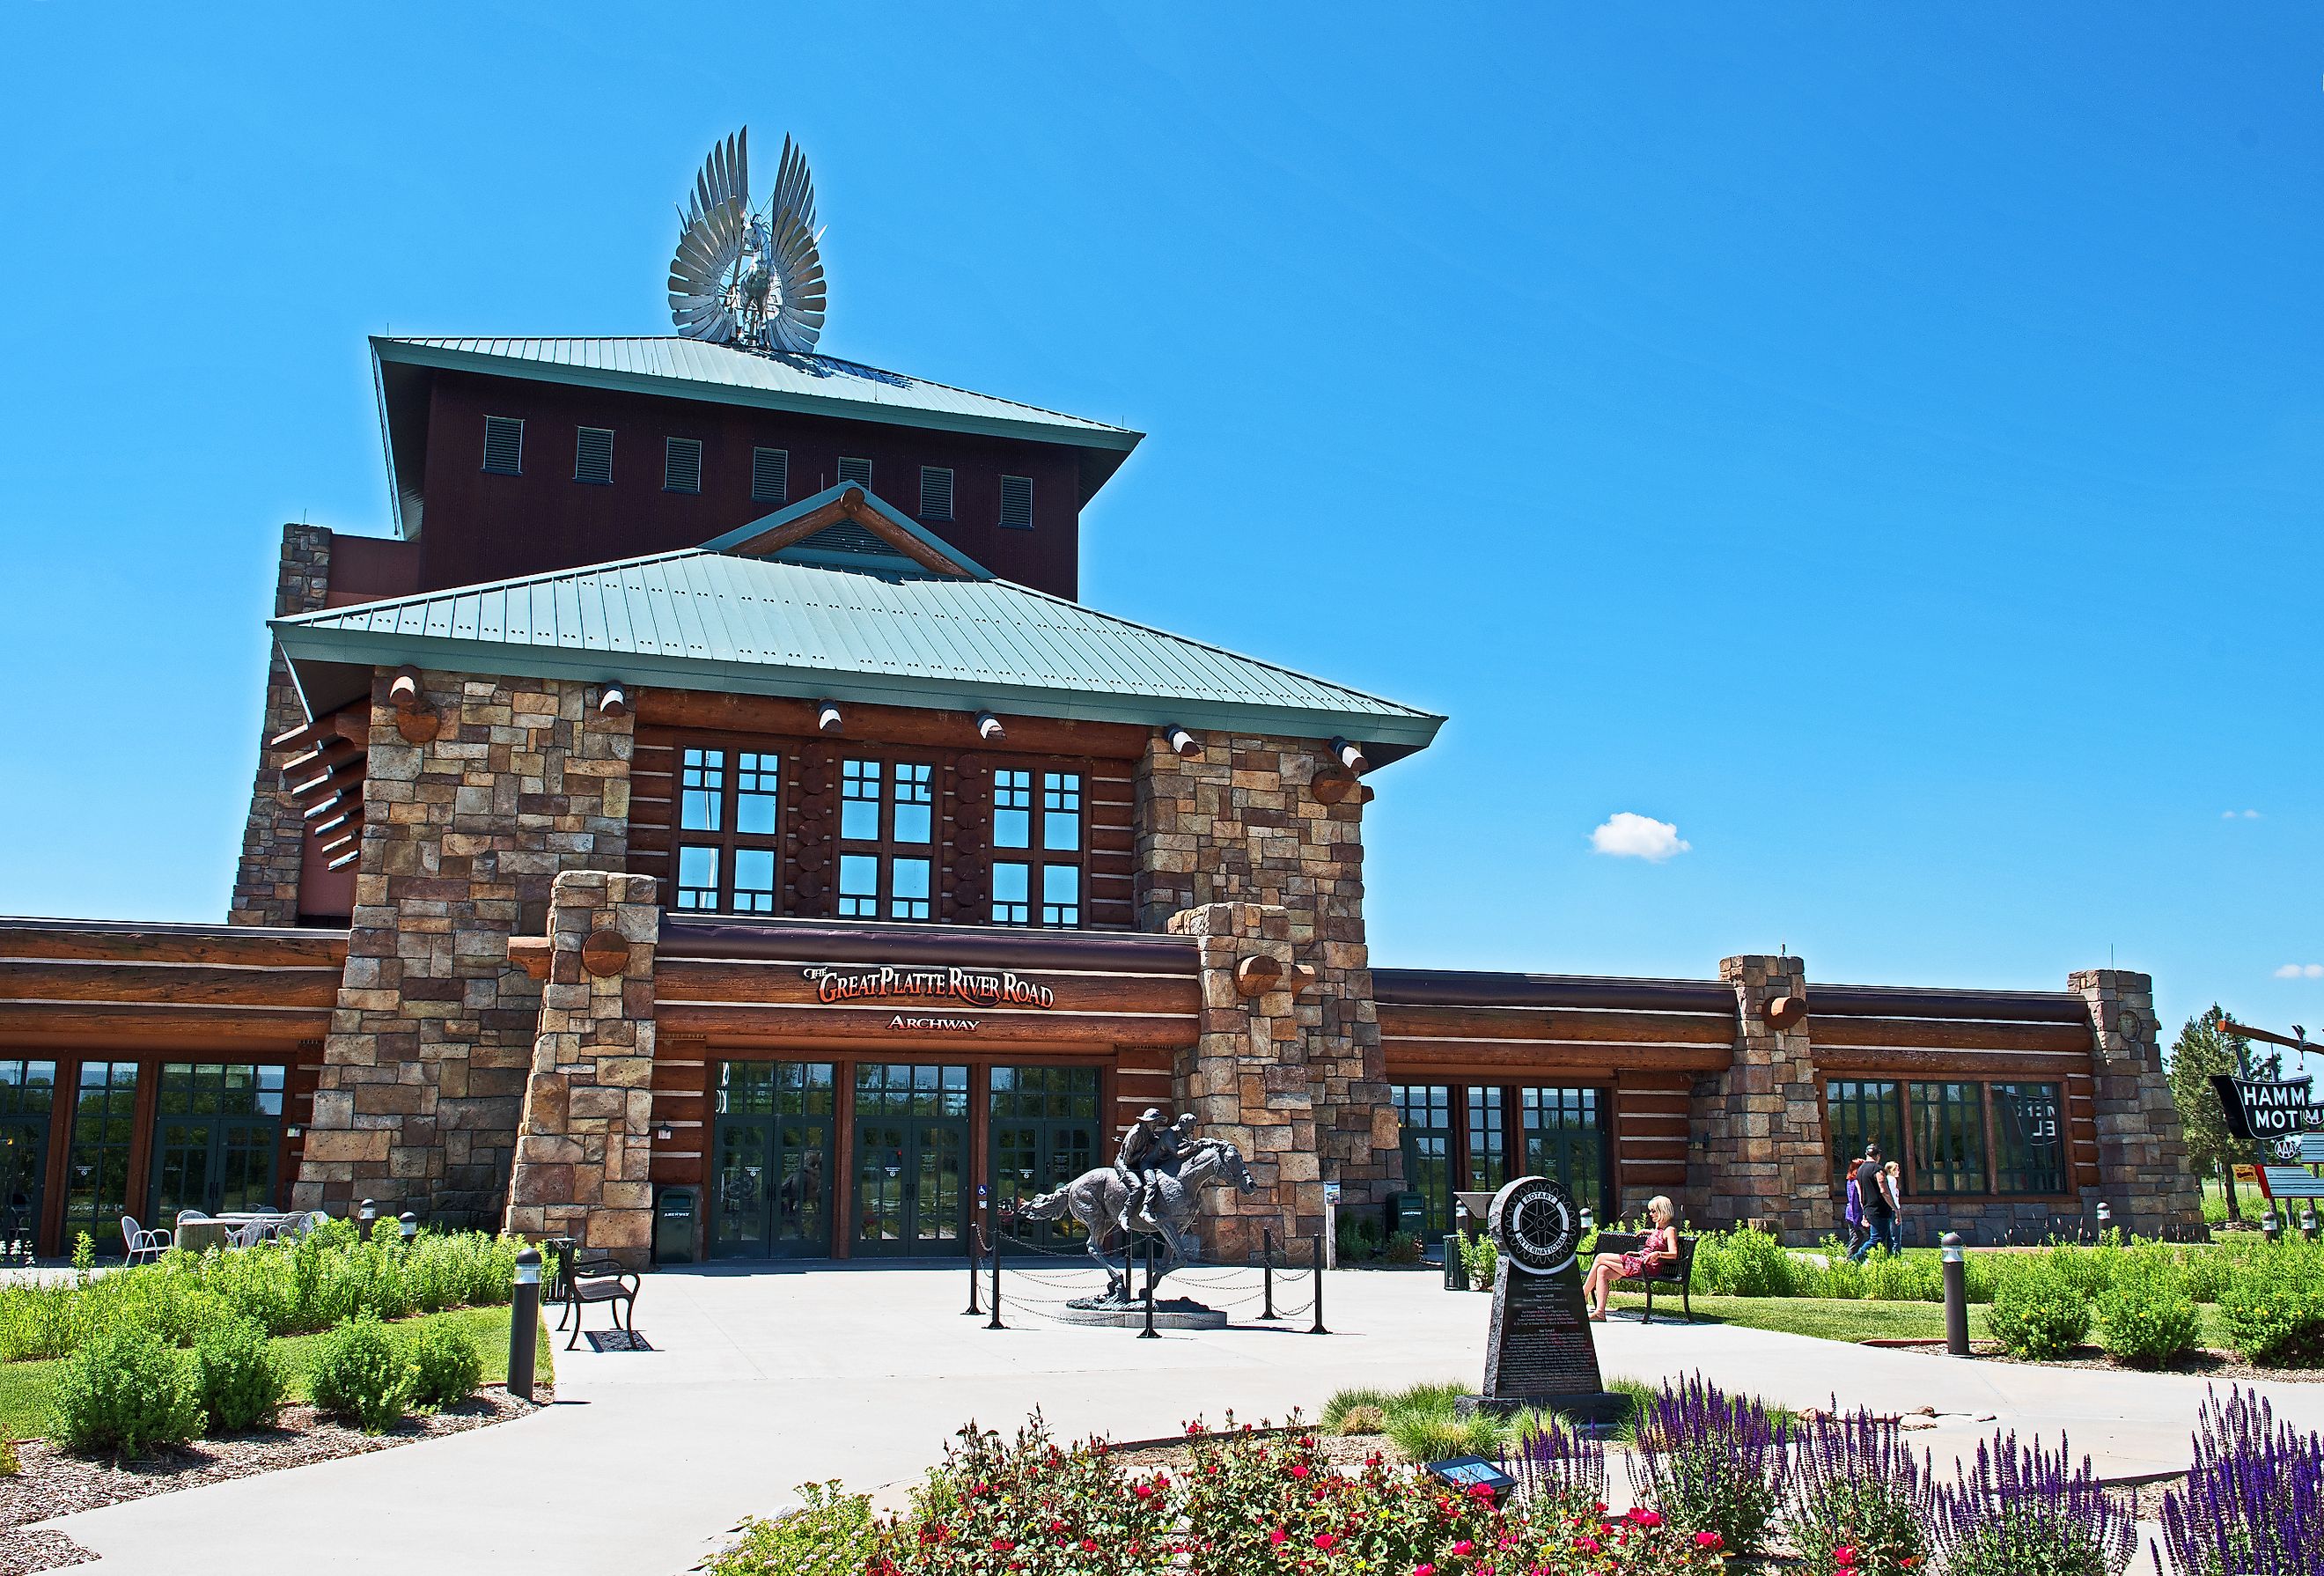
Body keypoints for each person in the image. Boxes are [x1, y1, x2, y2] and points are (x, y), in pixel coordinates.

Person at [1582, 1195, 1679, 1321]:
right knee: (1602, 1270)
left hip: (1647, 1267)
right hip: (1640, 1263)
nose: (1650, 1214)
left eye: (1653, 1211)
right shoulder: (1658, 1229)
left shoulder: (1670, 1230)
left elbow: (1674, 1254)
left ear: (1662, 1211)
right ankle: (1600, 1312)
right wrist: (1640, 1250)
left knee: (1600, 1258)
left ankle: (1583, 1294)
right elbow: (1654, 1242)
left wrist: (1658, 1255)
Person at [1849, 1144, 1893, 1262]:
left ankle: (1892, 1264)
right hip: (1880, 1210)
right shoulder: (1877, 1169)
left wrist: (1864, 1212)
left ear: (1866, 1154)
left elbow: (1860, 1194)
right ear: (1878, 1155)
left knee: (1888, 1240)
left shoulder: (1860, 1171)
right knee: (1876, 1239)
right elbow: (1884, 1190)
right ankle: (1854, 1261)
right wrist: (1895, 1208)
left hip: (1869, 1209)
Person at [1879, 1160, 1906, 1254]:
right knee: (1896, 1234)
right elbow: (1891, 1195)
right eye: (1897, 1169)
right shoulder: (1891, 1179)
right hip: (1893, 1208)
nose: (1898, 1171)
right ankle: (1896, 1254)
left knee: (1890, 1233)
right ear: (1892, 1170)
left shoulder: (1887, 1179)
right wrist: (1896, 1209)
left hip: (1888, 1209)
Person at [1842, 1167, 1866, 1256]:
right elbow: (1859, 1199)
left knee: (1856, 1235)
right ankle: (1852, 1257)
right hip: (1856, 1212)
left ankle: (1851, 1257)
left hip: (1850, 1212)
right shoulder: (1856, 1182)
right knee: (1861, 1236)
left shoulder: (1849, 1181)